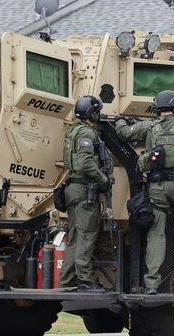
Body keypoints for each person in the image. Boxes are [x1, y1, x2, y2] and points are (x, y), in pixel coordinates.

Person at [115, 90, 174, 295]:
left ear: (157, 108)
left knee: (156, 235)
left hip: (157, 188)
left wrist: (121, 120)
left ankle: (151, 285)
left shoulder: (150, 127)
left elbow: (125, 133)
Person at [58, 95, 111, 292]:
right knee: (86, 236)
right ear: (93, 112)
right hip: (84, 190)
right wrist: (103, 180)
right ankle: (85, 280)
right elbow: (86, 162)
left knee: (75, 237)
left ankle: (66, 280)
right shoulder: (87, 134)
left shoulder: (74, 131)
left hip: (74, 189)